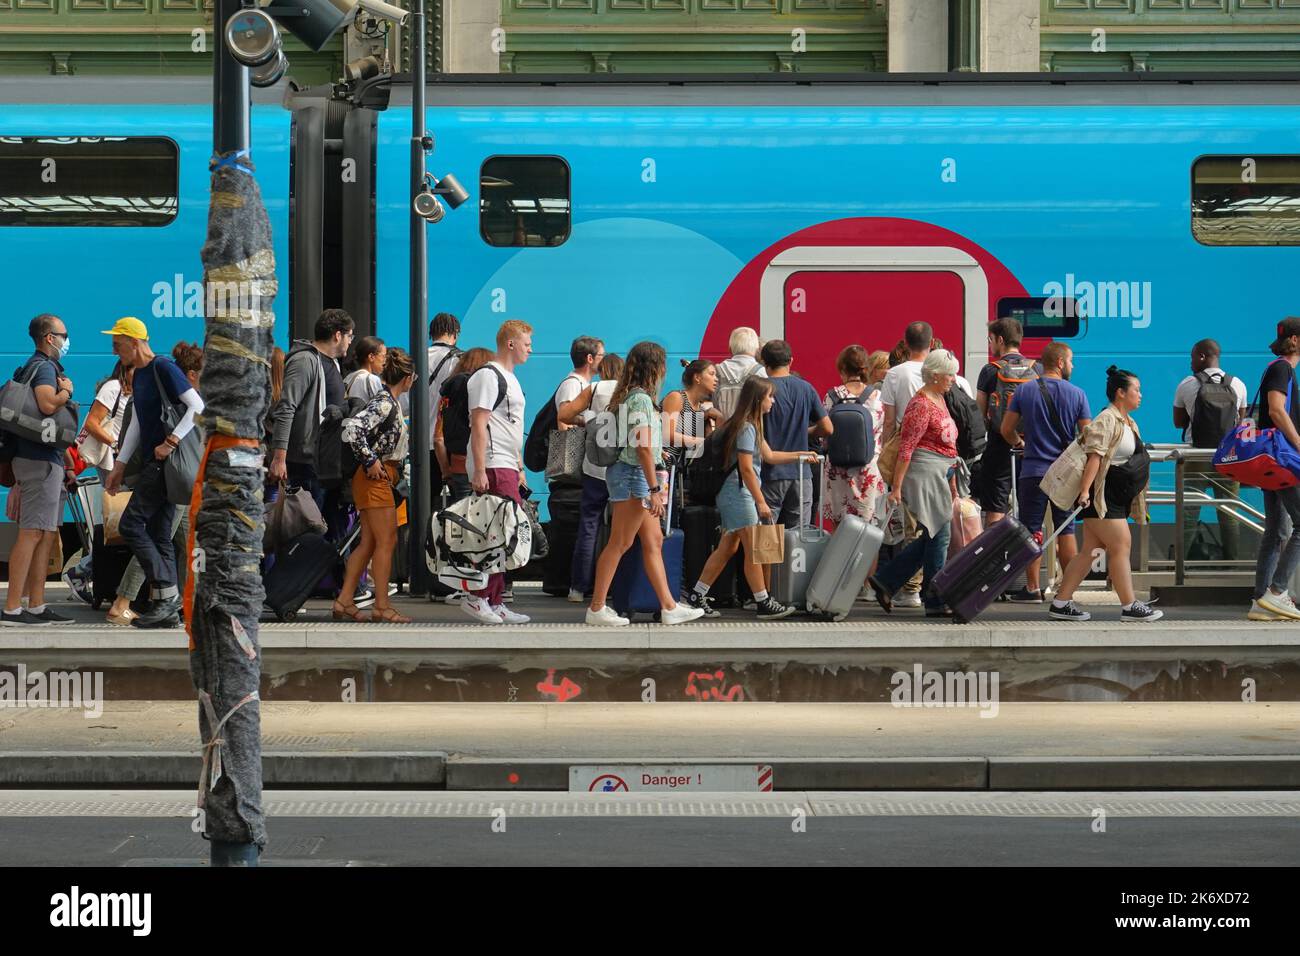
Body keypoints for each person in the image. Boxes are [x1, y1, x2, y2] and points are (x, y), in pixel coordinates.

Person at [585, 342, 705, 628]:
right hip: (634, 476)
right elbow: (641, 447)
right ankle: (597, 607)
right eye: (662, 364)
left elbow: (643, 444)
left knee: (654, 541)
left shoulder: (632, 396)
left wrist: (653, 464)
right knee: (620, 542)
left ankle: (669, 606)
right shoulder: (640, 399)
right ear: (654, 367)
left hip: (633, 474)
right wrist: (654, 490)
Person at [686, 376, 819, 620]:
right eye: (770, 396)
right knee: (754, 549)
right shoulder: (747, 427)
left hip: (735, 493)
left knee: (728, 548)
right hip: (739, 494)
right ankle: (763, 601)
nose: (773, 401)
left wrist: (801, 454)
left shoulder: (749, 425)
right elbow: (746, 469)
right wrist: (760, 501)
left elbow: (769, 456)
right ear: (758, 399)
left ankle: (697, 594)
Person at [103, 318, 205, 629]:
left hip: (164, 463)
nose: (115, 351)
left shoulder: (162, 367)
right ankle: (166, 607)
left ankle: (168, 594)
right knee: (160, 534)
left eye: (117, 345)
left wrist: (171, 441)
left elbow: (197, 406)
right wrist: (120, 465)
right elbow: (137, 423)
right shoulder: (141, 374)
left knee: (131, 524)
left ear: (134, 342)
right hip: (155, 462)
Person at [1049, 366, 1161, 623]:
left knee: (1090, 550)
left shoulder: (1127, 421)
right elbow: (1094, 457)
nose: (1141, 395)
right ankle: (1129, 605)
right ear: (1121, 392)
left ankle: (1061, 602)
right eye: (1136, 390)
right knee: (1121, 545)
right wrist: (1084, 491)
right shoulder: (1106, 419)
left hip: (1113, 497)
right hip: (1101, 497)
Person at [867, 350, 962, 619]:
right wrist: (896, 488)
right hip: (924, 474)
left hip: (940, 473)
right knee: (939, 534)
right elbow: (906, 448)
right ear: (935, 376)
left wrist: (952, 481)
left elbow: (948, 445)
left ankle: (886, 580)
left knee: (933, 535)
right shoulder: (921, 405)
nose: (953, 379)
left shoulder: (939, 398)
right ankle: (934, 599)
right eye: (950, 374)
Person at [1000, 342, 1092, 601]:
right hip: (1065, 474)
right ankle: (1067, 591)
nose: (1073, 365)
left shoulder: (1024, 390)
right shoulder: (1078, 394)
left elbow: (1006, 429)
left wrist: (1020, 444)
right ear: (1060, 363)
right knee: (1066, 529)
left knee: (1031, 530)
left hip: (1033, 471)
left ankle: (1033, 589)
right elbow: (1088, 436)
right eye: (1071, 361)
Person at [2, 314, 77, 627]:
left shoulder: (36, 366)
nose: (66, 340)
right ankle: (12, 608)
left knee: (45, 533)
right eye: (64, 335)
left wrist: (67, 463)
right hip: (38, 462)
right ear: (49, 338)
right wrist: (66, 392)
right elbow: (47, 405)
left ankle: (36, 604)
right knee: (32, 532)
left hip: (46, 460)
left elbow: (46, 425)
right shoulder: (44, 367)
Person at [334, 349, 416, 624]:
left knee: (369, 542)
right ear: (407, 378)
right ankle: (381, 606)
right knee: (386, 541)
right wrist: (370, 460)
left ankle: (345, 600)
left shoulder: (387, 401)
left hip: (374, 477)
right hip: (376, 477)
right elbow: (353, 428)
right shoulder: (385, 403)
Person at [462, 320, 533, 626]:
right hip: (492, 463)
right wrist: (479, 469)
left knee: (505, 533)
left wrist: (519, 466)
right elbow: (479, 423)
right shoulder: (487, 376)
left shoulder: (510, 378)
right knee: (494, 533)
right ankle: (477, 597)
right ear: (510, 344)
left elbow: (511, 426)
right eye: (527, 343)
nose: (531, 349)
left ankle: (494, 599)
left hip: (506, 463)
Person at [267, 309, 354, 510]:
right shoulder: (305, 361)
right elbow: (286, 408)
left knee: (326, 524)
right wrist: (279, 459)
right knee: (307, 523)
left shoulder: (332, 363)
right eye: (349, 336)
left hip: (327, 463)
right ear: (337, 335)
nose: (351, 341)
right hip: (306, 464)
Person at [1172, 338, 1247, 564]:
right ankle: (1232, 564)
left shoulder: (1187, 384)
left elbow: (1178, 422)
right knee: (1230, 512)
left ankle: (1180, 565)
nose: (1191, 362)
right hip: (1228, 457)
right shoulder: (1238, 384)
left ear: (1203, 356)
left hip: (1196, 456)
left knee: (1188, 512)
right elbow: (1241, 423)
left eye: (1193, 357)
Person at [558, 353, 624, 603]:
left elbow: (564, 415)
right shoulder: (630, 391)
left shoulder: (594, 389)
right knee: (623, 531)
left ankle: (578, 588)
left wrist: (586, 420)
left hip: (594, 467)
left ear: (603, 370)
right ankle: (616, 586)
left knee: (588, 526)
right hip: (622, 468)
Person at [1247, 318, 1300, 621]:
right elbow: (1276, 410)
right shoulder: (1283, 369)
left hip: (1274, 459)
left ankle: (1261, 601)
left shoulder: (1277, 368)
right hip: (1284, 458)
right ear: (1294, 340)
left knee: (1277, 529)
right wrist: (1298, 442)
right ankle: (1277, 591)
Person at [758, 340, 832, 531]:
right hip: (801, 472)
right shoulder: (806, 388)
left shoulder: (761, 389)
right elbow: (827, 428)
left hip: (769, 473)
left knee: (766, 537)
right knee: (799, 538)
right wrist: (807, 432)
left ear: (764, 362)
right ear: (791, 360)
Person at [975, 318, 1034, 526]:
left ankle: (995, 547)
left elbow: (980, 412)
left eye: (990, 340)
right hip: (1030, 449)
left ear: (1000, 340)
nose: (990, 345)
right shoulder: (1037, 369)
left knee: (995, 510)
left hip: (999, 446)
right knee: (1030, 510)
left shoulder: (990, 371)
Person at [822, 345, 885, 528]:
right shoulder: (877, 396)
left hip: (837, 469)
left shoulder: (832, 396)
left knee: (839, 525)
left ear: (843, 368)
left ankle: (839, 549)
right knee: (868, 528)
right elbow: (882, 431)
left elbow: (825, 434)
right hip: (868, 467)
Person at [435, 346, 493, 507]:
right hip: (484, 466)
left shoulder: (447, 394)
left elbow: (438, 439)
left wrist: (446, 472)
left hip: (457, 467)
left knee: (462, 517)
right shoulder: (481, 391)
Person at [426, 313, 462, 506]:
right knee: (459, 503)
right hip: (448, 442)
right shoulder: (458, 359)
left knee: (424, 501)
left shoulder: (417, 357)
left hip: (421, 443)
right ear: (455, 333)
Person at [662, 358, 721, 467]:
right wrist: (703, 442)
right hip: (663, 468)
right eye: (712, 374)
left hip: (679, 471)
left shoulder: (701, 409)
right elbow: (668, 435)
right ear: (697, 377)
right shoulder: (677, 397)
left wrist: (719, 417)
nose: (716, 379)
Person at [712, 326, 766, 420]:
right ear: (757, 349)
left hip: (722, 426)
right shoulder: (761, 372)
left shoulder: (717, 370)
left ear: (730, 348)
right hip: (750, 426)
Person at [344, 336, 387, 404]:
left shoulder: (349, 377)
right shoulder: (372, 379)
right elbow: (382, 407)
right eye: (383, 356)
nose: (385, 361)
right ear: (371, 357)